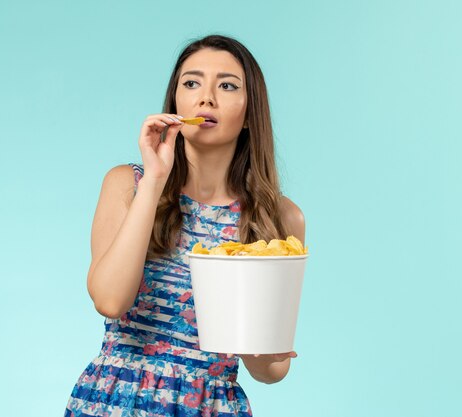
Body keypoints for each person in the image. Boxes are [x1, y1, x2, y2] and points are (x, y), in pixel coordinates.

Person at [64, 34, 305, 417]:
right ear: (175, 101)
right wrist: (156, 180)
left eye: (227, 86)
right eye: (191, 83)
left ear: (250, 113)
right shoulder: (128, 185)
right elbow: (110, 301)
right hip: (117, 402)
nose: (206, 97)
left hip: (210, 406)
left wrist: (261, 343)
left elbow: (271, 369)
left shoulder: (280, 218)